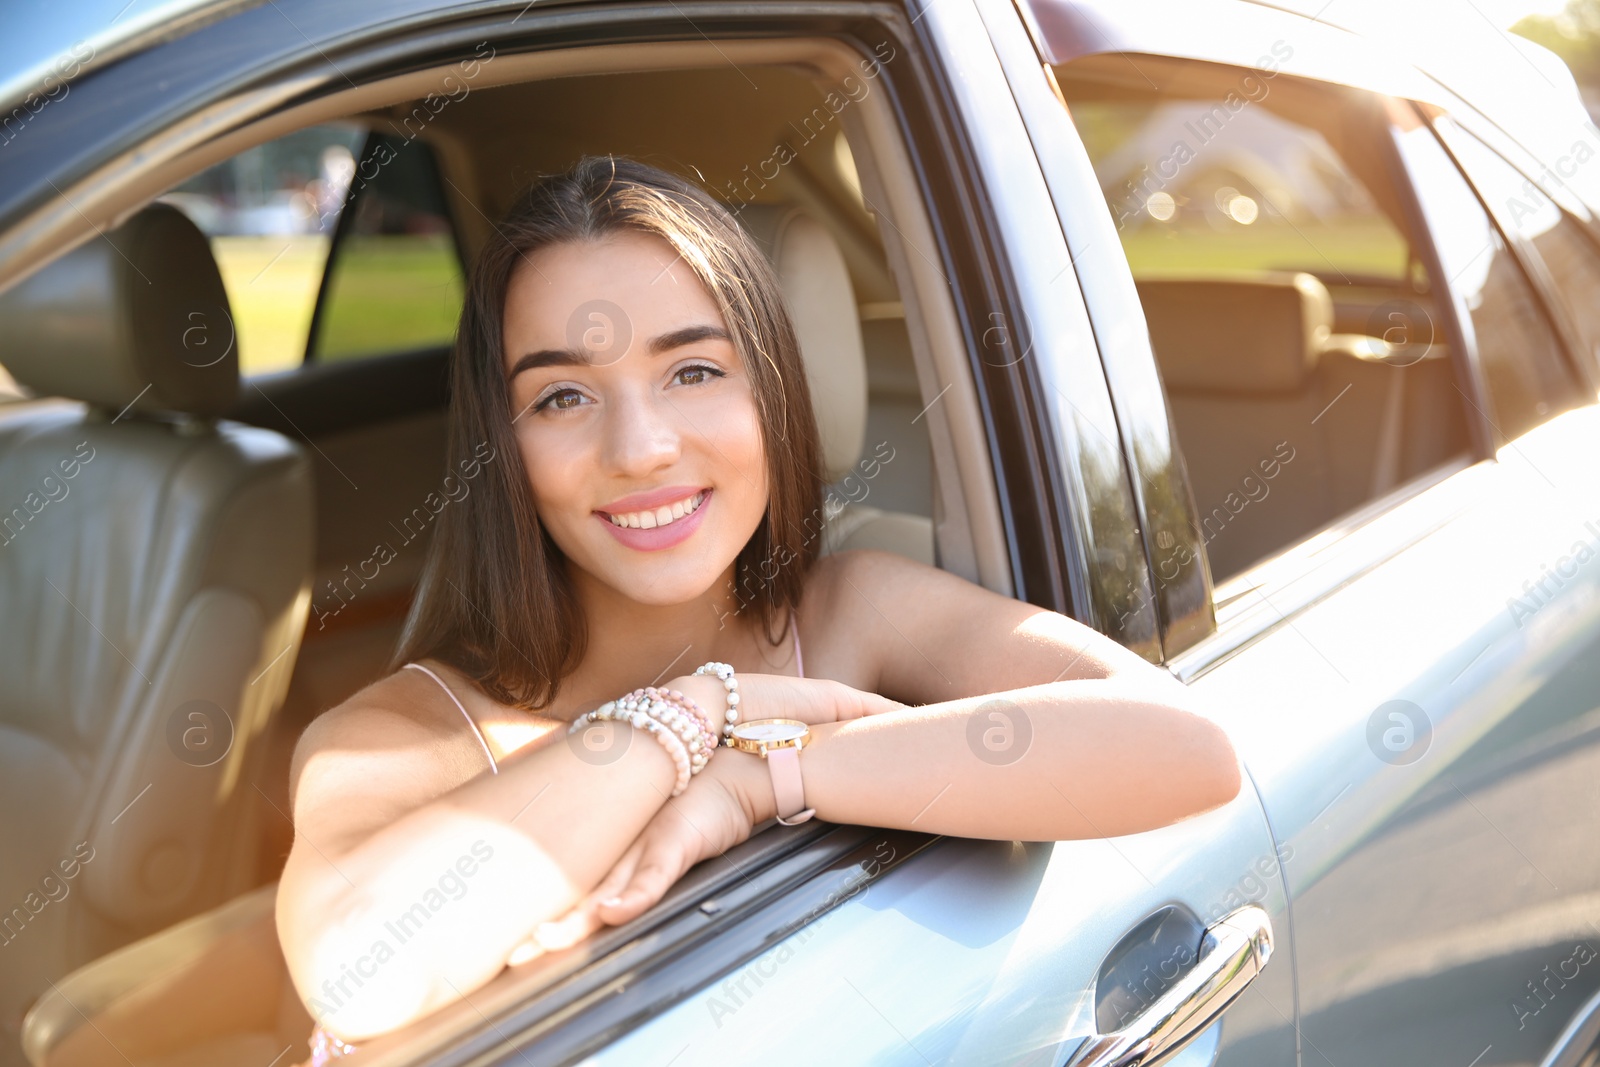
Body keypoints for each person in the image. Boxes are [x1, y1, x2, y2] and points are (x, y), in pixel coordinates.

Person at [277, 154, 1241, 1062]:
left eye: (693, 370)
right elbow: (360, 971)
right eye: (564, 395)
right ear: (504, 446)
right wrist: (688, 716)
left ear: (771, 391)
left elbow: (1183, 748)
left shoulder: (850, 613)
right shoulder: (409, 734)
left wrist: (764, 779)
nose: (642, 447)